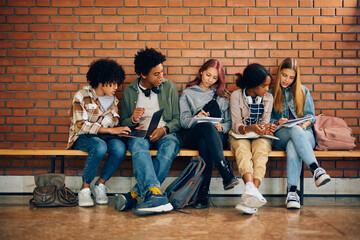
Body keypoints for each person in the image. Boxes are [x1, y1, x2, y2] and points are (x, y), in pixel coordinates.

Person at [115, 47, 180, 216]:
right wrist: (133, 120)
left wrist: (164, 129)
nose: (161, 77)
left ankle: (137, 194)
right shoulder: (130, 91)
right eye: (156, 74)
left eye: (162, 72)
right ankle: (155, 194)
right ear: (144, 74)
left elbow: (176, 120)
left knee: (171, 144)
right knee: (137, 145)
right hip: (139, 133)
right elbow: (124, 122)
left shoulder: (169, 87)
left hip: (164, 133)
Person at [67, 59, 129, 207]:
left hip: (105, 136)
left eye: (117, 83)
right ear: (102, 81)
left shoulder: (113, 100)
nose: (116, 87)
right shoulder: (81, 96)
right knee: (99, 146)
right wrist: (109, 129)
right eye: (113, 83)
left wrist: (122, 130)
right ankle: (85, 189)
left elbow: (113, 124)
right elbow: (81, 126)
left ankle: (100, 185)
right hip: (82, 137)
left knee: (120, 148)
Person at [270, 58, 331, 209]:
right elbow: (268, 120)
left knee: (294, 143)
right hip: (281, 135)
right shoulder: (271, 94)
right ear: (279, 73)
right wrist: (278, 122)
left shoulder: (303, 91)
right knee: (292, 134)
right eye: (285, 75)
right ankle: (316, 169)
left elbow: (311, 117)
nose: (287, 80)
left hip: (305, 134)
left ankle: (292, 193)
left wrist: (302, 126)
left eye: (291, 77)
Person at [179, 59, 239, 209]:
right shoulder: (188, 93)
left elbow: (229, 123)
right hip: (193, 134)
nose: (210, 80)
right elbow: (183, 121)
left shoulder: (221, 96)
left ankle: (202, 194)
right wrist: (197, 117)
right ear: (201, 72)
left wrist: (221, 127)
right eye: (208, 75)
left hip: (215, 137)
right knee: (205, 125)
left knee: (205, 143)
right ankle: (224, 170)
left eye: (214, 78)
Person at [229, 63, 277, 214]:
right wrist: (249, 128)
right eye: (264, 86)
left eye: (268, 86)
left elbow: (264, 122)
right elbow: (236, 124)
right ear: (253, 84)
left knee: (261, 152)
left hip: (259, 136)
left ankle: (251, 194)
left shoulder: (268, 98)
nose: (266, 89)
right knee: (243, 151)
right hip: (240, 134)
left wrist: (264, 128)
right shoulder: (236, 96)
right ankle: (251, 190)